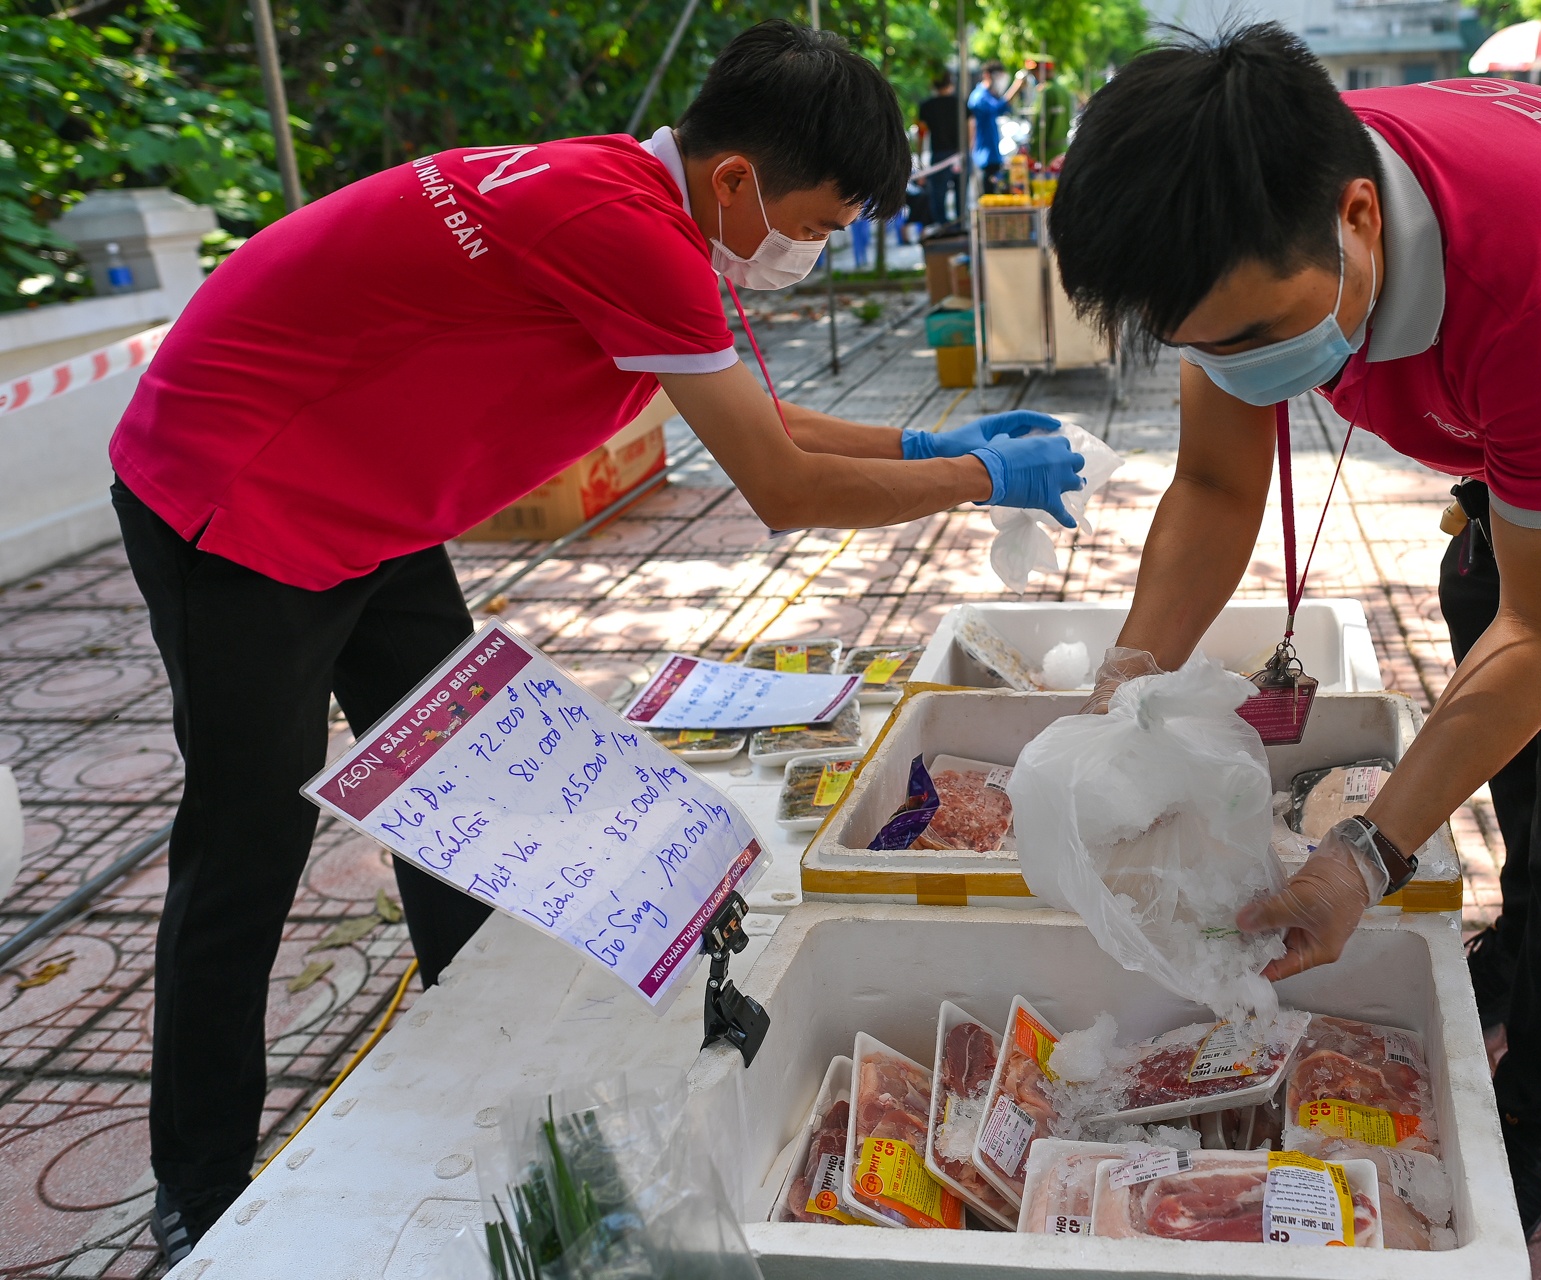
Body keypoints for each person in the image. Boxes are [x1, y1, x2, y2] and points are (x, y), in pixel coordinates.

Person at [113, 20, 1084, 1268]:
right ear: (735, 179)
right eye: (821, 220)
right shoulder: (623, 223)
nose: (818, 247)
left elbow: (757, 413)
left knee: (456, 783)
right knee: (246, 847)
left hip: (370, 504)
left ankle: (483, 1080)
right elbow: (779, 483)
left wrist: (932, 446)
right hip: (234, 501)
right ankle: (196, 1184)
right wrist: (971, 478)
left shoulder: (631, 198)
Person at [1050, 25, 1541, 1237]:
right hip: (1531, 416)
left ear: (1359, 219)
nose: (1242, 373)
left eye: (1254, 340)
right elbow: (1212, 491)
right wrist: (1122, 687)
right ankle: (1527, 938)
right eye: (1202, 349)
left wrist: (1365, 855)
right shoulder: (1234, 224)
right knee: (1502, 704)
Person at [968, 59, 1029, 192]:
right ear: (987, 75)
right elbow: (998, 107)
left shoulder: (988, 95)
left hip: (993, 155)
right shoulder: (979, 97)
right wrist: (1015, 87)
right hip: (985, 157)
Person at [916, 67, 962, 224]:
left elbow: (921, 134)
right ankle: (958, 226)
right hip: (959, 154)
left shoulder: (927, 106)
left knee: (938, 197)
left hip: (940, 155)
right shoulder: (960, 104)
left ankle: (944, 227)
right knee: (960, 195)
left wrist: (920, 158)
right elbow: (971, 127)